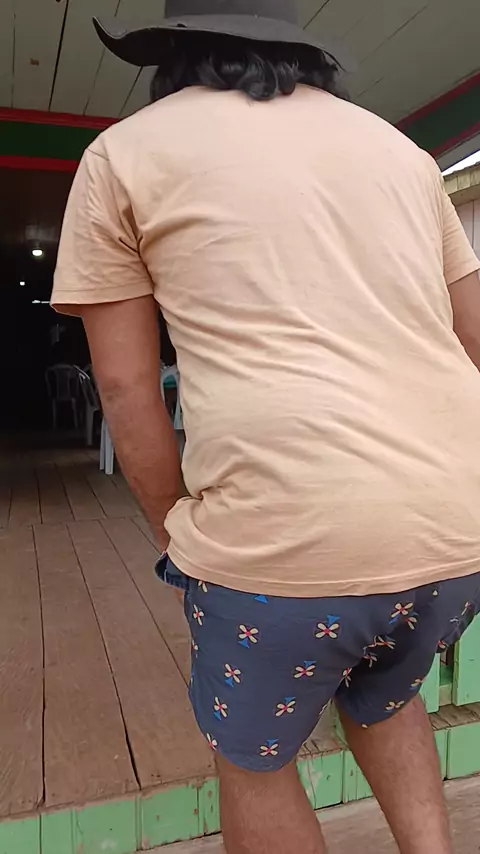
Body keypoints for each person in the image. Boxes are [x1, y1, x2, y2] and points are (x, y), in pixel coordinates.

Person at [51, 2, 480, 852]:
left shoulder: (125, 154)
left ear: (174, 51)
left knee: (254, 760)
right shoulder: (399, 152)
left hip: (282, 547)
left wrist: (175, 529)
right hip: (453, 535)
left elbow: (127, 386)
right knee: (387, 699)